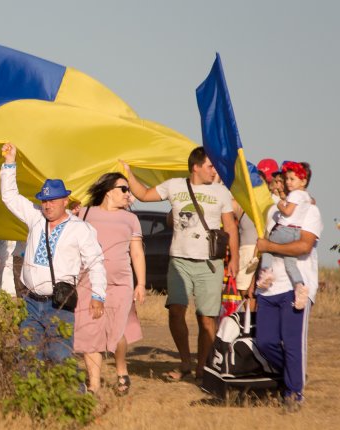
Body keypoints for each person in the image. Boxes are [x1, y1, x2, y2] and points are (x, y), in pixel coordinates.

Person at [122, 147, 239, 383]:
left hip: (210, 263)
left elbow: (230, 227)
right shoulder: (174, 185)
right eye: (209, 166)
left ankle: (202, 368)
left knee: (206, 318)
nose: (213, 170)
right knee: (176, 311)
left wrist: (234, 259)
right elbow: (144, 195)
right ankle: (186, 362)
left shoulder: (221, 193)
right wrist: (127, 172)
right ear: (195, 166)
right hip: (179, 261)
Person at [0, 143, 106, 363]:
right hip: (30, 300)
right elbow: (10, 197)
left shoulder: (80, 228)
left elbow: (96, 263)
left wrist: (98, 295)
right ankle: (31, 397)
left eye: (53, 201)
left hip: (59, 302)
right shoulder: (36, 217)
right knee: (29, 354)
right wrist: (10, 162)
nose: (47, 206)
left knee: (59, 355)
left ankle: (73, 394)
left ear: (65, 201)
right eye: (45, 200)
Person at [253, 172, 322, 410]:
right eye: (279, 181)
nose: (282, 185)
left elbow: (303, 245)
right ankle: (293, 376)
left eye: (287, 181)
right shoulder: (272, 212)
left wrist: (268, 246)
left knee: (293, 344)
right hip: (270, 286)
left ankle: (294, 394)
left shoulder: (310, 211)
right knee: (264, 342)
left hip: (297, 287)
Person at [74, 173, 145, 395]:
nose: (128, 194)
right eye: (124, 189)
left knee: (116, 331)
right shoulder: (85, 213)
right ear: (108, 191)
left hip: (120, 283)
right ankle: (94, 386)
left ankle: (121, 370)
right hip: (89, 281)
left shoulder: (131, 219)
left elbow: (136, 252)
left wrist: (141, 283)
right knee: (90, 330)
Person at [256, 161, 313, 309]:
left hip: (285, 230)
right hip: (296, 233)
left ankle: (267, 271)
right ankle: (299, 286)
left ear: (303, 181)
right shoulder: (307, 198)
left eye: (291, 179)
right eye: (286, 179)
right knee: (290, 263)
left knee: (268, 246)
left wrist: (279, 203)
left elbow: (287, 211)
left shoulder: (294, 195)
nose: (287, 183)